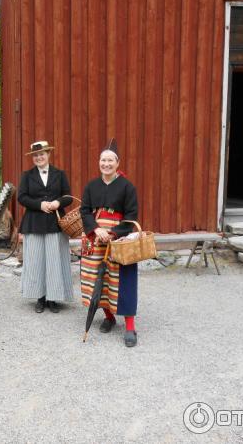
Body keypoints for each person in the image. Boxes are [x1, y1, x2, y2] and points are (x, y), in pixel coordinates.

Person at [80, 140, 139, 347]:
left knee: (124, 281)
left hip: (119, 240)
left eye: (110, 160)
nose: (106, 164)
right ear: (99, 163)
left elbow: (132, 215)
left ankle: (130, 327)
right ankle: (109, 317)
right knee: (99, 279)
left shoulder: (127, 187)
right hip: (95, 239)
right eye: (103, 160)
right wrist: (96, 229)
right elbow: (84, 211)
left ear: (117, 163)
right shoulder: (91, 186)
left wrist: (113, 233)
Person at [18, 140, 74, 313]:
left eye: (42, 154)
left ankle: (53, 298)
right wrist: (40, 205)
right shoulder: (27, 175)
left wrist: (58, 202)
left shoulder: (60, 174)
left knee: (54, 261)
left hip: (55, 224)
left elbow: (68, 197)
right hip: (34, 223)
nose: (39, 157)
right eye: (35, 155)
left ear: (48, 154)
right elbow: (22, 197)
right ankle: (40, 298)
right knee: (36, 262)